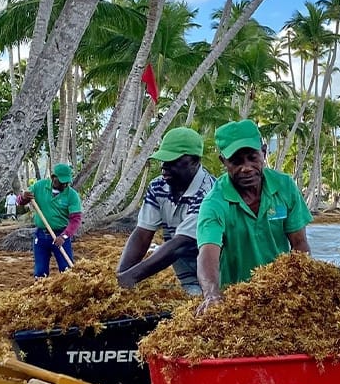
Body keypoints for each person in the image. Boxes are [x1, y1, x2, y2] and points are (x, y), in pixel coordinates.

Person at [196, 119, 312, 304]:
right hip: (236, 297)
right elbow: (208, 253)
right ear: (223, 161)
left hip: (281, 293)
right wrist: (211, 294)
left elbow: (299, 244)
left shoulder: (285, 187)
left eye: (252, 158)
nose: (246, 168)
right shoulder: (214, 203)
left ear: (264, 152)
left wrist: (299, 285)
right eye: (236, 162)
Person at [117, 126, 215, 293]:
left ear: (194, 161)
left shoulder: (209, 192)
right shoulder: (158, 186)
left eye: (173, 161)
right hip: (186, 276)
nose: (164, 167)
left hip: (216, 275)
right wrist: (121, 275)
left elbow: (181, 244)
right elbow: (142, 234)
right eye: (163, 160)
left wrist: (132, 277)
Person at [22, 163, 82, 277]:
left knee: (67, 271)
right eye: (61, 181)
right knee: (40, 272)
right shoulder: (39, 186)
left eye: (66, 182)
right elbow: (21, 201)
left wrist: (64, 236)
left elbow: (75, 220)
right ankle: (40, 290)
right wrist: (24, 197)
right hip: (41, 236)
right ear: (53, 177)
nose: (64, 184)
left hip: (60, 235)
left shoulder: (72, 195)